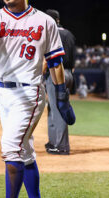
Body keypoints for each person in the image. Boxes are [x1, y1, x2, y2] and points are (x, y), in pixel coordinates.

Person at [0, 0, 75, 198]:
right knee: (24, 152)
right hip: (3, 94)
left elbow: (55, 61)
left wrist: (61, 95)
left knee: (10, 149)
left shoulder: (45, 21)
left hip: (29, 93)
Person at [43, 9, 76, 155]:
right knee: (53, 108)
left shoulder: (50, 33)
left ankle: (61, 146)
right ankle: (53, 142)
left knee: (56, 110)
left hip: (55, 73)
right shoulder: (69, 34)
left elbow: (47, 57)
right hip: (68, 73)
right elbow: (74, 59)